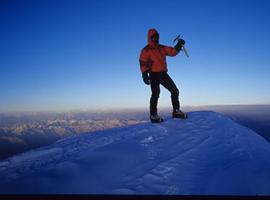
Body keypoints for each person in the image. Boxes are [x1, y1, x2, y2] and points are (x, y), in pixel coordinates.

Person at [139, 28, 187, 123]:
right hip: (153, 74)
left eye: (157, 36)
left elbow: (172, 52)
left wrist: (178, 45)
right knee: (155, 94)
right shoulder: (146, 50)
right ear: (150, 37)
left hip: (163, 74)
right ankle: (153, 115)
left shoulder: (162, 48)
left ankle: (176, 111)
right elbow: (142, 62)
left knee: (174, 90)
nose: (156, 38)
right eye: (153, 36)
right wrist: (144, 74)